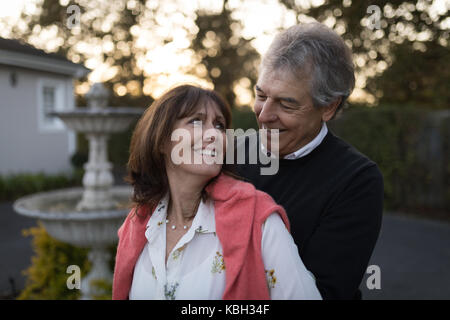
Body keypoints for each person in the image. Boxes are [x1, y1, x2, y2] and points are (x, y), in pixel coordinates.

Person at [112, 84, 322, 300]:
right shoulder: (137, 226)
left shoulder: (257, 219)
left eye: (219, 125)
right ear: (162, 140)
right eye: (196, 121)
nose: (214, 134)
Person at [235, 22, 384, 299]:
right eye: (261, 95)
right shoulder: (228, 156)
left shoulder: (357, 179)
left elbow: (326, 292)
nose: (264, 115)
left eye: (287, 104)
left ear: (329, 107)